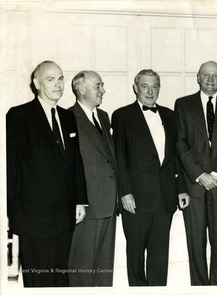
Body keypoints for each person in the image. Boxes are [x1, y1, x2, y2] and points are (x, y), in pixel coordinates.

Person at [6, 60, 87, 287]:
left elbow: (76, 162)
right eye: (50, 79)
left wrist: (80, 200)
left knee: (60, 279)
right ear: (37, 83)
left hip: (64, 217)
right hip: (33, 217)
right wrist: (13, 213)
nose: (58, 84)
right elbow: (10, 168)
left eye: (61, 79)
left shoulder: (68, 117)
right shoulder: (18, 115)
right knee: (38, 280)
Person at [111, 69, 189, 286]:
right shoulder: (122, 115)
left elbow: (175, 158)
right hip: (136, 199)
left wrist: (181, 188)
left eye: (154, 86)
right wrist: (125, 192)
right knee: (135, 256)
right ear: (135, 88)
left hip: (165, 199)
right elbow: (120, 157)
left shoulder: (170, 115)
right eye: (145, 86)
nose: (150, 91)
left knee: (159, 258)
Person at [174, 60, 217, 285]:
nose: (211, 80)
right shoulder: (183, 104)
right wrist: (200, 175)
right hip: (194, 186)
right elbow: (180, 143)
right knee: (196, 245)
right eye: (206, 75)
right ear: (198, 77)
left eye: (216, 75)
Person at [67, 71, 118, 286]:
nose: (103, 90)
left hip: (109, 204)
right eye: (98, 86)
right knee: (82, 270)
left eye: (102, 85)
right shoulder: (68, 117)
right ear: (81, 89)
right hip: (87, 206)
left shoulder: (104, 116)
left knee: (104, 272)